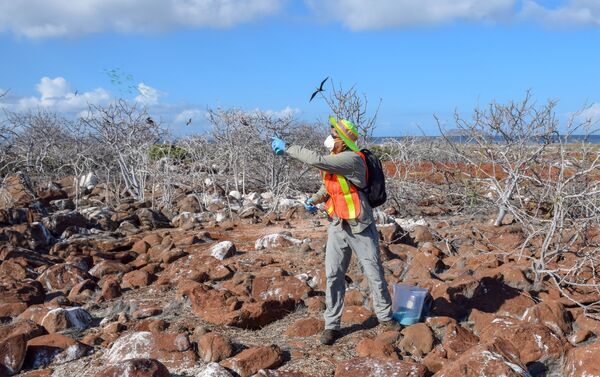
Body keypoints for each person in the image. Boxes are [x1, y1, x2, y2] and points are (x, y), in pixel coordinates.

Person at [271, 116, 397, 345]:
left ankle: (386, 318)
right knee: (333, 274)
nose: (330, 138)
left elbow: (317, 161)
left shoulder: (352, 159)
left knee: (373, 272)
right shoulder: (336, 159)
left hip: (360, 224)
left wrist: (288, 148)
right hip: (338, 224)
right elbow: (328, 185)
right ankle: (332, 326)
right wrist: (315, 198)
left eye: (335, 135)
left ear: (345, 140)